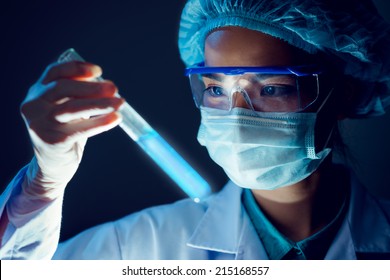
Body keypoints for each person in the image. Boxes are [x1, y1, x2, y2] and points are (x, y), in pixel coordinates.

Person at [1, 0, 390, 260]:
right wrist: (42, 186)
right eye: (216, 89)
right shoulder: (140, 246)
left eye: (272, 88)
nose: (236, 115)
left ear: (344, 94)